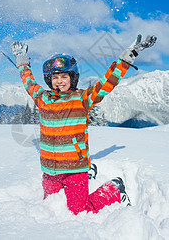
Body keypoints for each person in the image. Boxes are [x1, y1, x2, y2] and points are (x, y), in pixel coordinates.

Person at [10, 34, 156, 215]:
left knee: (79, 210)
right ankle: (90, 175)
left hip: (75, 169)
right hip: (49, 171)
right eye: (55, 77)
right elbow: (29, 82)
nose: (60, 81)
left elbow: (107, 83)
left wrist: (127, 57)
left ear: (73, 77)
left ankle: (114, 189)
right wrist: (22, 61)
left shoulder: (83, 99)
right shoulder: (43, 99)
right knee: (50, 207)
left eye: (64, 76)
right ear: (49, 80)